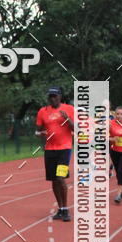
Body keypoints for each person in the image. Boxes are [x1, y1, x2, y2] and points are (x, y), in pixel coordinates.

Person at [35, 87, 75, 221]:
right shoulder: (43, 111)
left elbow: (76, 128)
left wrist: (67, 119)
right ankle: (60, 208)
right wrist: (41, 134)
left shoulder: (69, 109)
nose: (53, 99)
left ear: (60, 97)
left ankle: (66, 209)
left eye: (55, 96)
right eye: (51, 96)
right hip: (50, 149)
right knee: (53, 180)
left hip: (65, 148)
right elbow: (38, 131)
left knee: (60, 177)